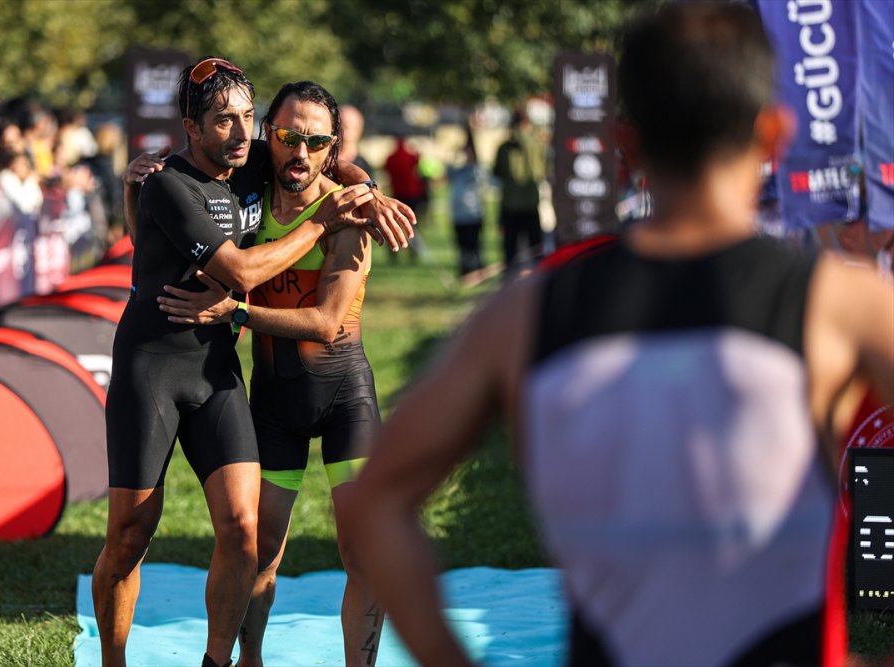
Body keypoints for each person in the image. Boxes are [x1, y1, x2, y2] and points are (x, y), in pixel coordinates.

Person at [337, 4, 894, 667]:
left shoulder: (523, 316)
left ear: (624, 144)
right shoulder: (843, 305)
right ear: (774, 135)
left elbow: (378, 502)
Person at [94, 57, 413, 667]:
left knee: (279, 539)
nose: (244, 136)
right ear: (195, 125)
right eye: (225, 121)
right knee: (139, 536)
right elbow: (215, 264)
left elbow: (324, 162)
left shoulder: (292, 185)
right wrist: (134, 187)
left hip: (264, 381)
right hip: (174, 374)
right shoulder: (198, 178)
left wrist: (366, 189)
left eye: (247, 120)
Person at [156, 81, 387, 667]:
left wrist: (234, 310)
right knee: (258, 552)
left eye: (316, 142)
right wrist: (141, 181)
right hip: (275, 404)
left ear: (332, 147)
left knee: (363, 554)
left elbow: (329, 323)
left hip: (344, 400)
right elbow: (191, 177)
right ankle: (249, 661)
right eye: (287, 136)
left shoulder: (347, 210)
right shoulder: (248, 195)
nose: (300, 153)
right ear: (268, 137)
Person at [492, 108, 546, 275]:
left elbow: (497, 173)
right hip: (530, 203)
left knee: (511, 254)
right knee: (535, 251)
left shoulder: (504, 147)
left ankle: (511, 286)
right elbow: (541, 172)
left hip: (511, 205)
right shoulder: (536, 145)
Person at [446, 133, 486, 277]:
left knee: (474, 245)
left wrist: (472, 160)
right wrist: (456, 154)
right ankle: (464, 270)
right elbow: (447, 171)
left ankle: (477, 270)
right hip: (458, 215)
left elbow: (481, 178)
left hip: (473, 214)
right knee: (461, 245)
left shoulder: (476, 170)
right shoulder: (457, 171)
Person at [339, 104, 373, 177]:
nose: (339, 131)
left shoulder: (363, 168)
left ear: (358, 130)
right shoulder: (323, 162)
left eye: (345, 126)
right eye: (337, 125)